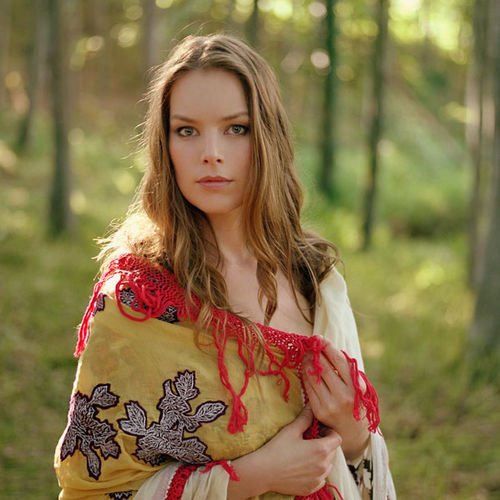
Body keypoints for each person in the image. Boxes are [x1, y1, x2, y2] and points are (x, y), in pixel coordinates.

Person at [54, 34, 396, 500]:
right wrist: (252, 478)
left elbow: (357, 456)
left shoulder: (315, 279)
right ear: (164, 145)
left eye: (236, 128)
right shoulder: (138, 298)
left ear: (268, 137)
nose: (210, 152)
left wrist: (353, 434)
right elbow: (90, 489)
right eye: (187, 131)